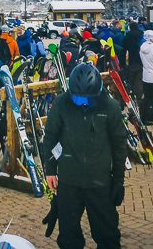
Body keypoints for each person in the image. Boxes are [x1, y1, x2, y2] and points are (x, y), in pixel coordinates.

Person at [43, 63, 127, 249]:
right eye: (78, 98)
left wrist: (118, 180)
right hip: (69, 181)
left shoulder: (110, 107)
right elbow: (50, 138)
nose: (82, 103)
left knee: (107, 235)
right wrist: (49, 170)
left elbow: (119, 145)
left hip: (99, 181)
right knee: (68, 237)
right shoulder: (61, 104)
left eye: (87, 99)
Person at [123, 22, 144, 99]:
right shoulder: (141, 35)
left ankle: (128, 94)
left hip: (130, 59)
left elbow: (123, 49)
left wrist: (123, 62)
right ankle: (138, 94)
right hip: (140, 59)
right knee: (139, 78)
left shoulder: (126, 36)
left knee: (130, 78)